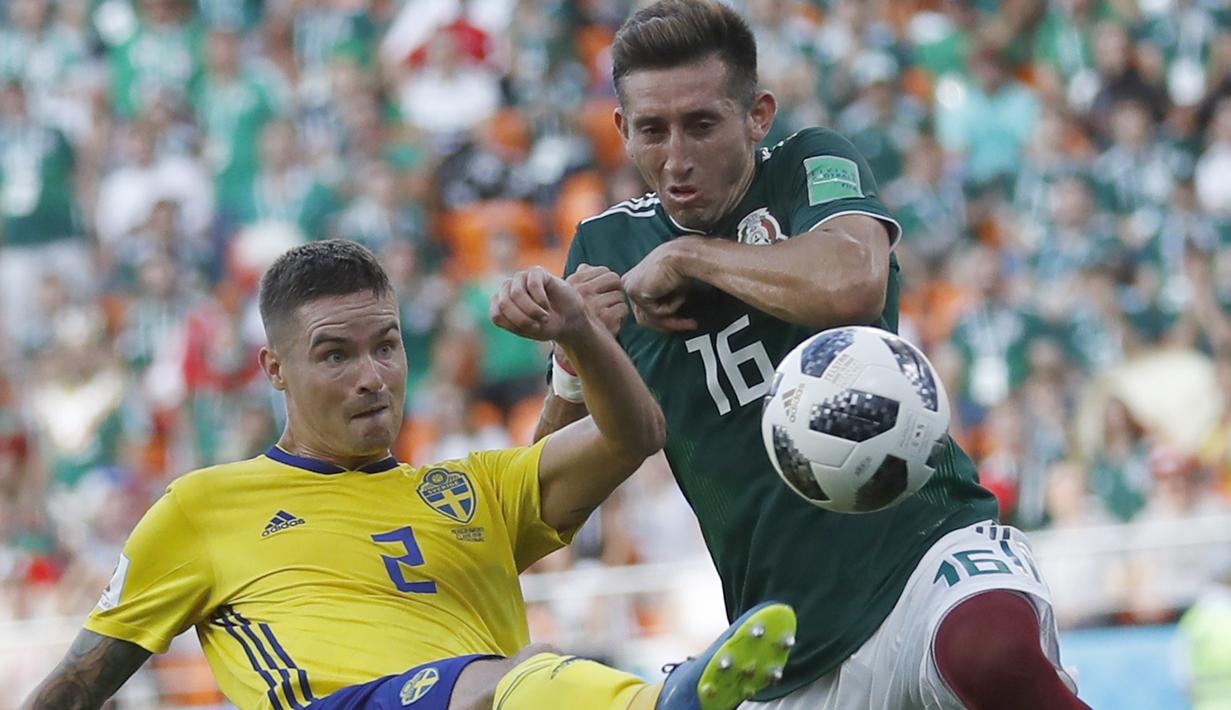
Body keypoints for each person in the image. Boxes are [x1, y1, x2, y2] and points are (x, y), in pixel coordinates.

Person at [534, 2, 1090, 708]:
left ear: (757, 114)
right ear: (620, 130)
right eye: (652, 130)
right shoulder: (602, 251)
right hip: (785, 636)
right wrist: (571, 352)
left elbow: (852, 284)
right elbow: (548, 511)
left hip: (921, 553)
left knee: (991, 652)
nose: (676, 157)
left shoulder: (808, 163)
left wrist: (690, 257)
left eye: (701, 124)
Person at [21, 240, 797, 710]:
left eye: (385, 345)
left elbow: (637, 434)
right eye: (335, 354)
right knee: (507, 681)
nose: (372, 376)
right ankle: (668, 699)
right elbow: (82, 680)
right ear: (274, 370)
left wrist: (581, 335)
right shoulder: (203, 507)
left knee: (511, 684)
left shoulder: (472, 490)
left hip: (481, 695)